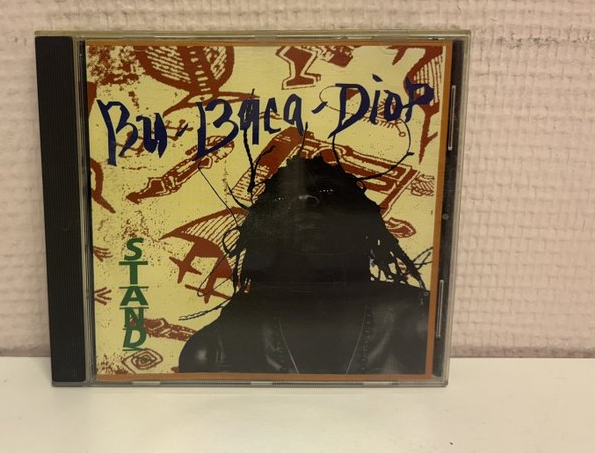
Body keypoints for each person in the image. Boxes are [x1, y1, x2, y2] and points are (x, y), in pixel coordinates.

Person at [179, 155, 429, 374]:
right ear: (262, 230)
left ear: (361, 219)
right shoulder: (218, 348)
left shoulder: (417, 319)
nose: (306, 200)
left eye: (327, 191)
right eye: (282, 197)